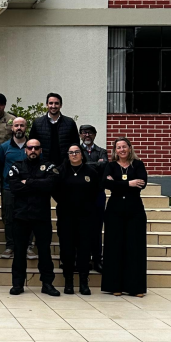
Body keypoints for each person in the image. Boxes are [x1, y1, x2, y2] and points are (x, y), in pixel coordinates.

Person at [7, 139, 60, 297]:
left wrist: (28, 182)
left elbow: (50, 184)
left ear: (40, 150)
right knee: (19, 251)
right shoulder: (17, 166)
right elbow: (15, 187)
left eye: (36, 148)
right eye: (30, 148)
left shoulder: (49, 166)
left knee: (44, 251)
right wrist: (38, 185)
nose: (33, 150)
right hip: (21, 215)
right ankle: (17, 284)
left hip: (41, 216)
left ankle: (47, 284)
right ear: (25, 150)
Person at [101, 138, 148, 297]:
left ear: (129, 148)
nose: (121, 150)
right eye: (118, 147)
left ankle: (135, 288)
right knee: (114, 247)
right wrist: (129, 183)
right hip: (114, 210)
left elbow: (142, 183)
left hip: (135, 210)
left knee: (135, 248)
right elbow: (106, 184)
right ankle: (115, 286)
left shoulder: (138, 165)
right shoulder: (111, 166)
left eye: (124, 147)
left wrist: (117, 183)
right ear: (115, 150)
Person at [54, 145, 100, 296]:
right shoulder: (61, 171)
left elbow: (96, 192)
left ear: (82, 154)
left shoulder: (91, 172)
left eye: (77, 152)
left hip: (85, 217)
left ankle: (83, 282)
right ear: (68, 155)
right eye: (71, 152)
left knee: (84, 250)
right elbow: (55, 191)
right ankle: (68, 282)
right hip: (66, 216)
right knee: (67, 250)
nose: (74, 155)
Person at [0, 117, 29, 258]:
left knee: (28, 217)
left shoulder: (32, 147)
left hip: (28, 189)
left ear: (26, 128)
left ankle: (28, 246)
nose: (19, 128)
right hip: (8, 188)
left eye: (22, 125)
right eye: (16, 125)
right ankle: (10, 246)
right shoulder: (4, 148)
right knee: (8, 217)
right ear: (12, 128)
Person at [80, 124, 109, 273]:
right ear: (80, 135)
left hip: (98, 193)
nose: (87, 135)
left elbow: (105, 168)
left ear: (95, 135)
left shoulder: (102, 151)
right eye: (84, 132)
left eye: (90, 132)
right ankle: (83, 260)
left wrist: (87, 166)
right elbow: (78, 167)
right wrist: (96, 165)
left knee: (97, 228)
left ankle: (97, 259)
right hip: (81, 195)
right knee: (81, 228)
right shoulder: (76, 151)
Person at [29, 92, 79, 167]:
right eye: (51, 103)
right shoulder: (37, 123)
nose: (53, 106)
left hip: (65, 165)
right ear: (47, 105)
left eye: (56, 103)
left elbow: (75, 143)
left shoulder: (70, 123)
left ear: (61, 105)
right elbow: (32, 143)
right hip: (42, 165)